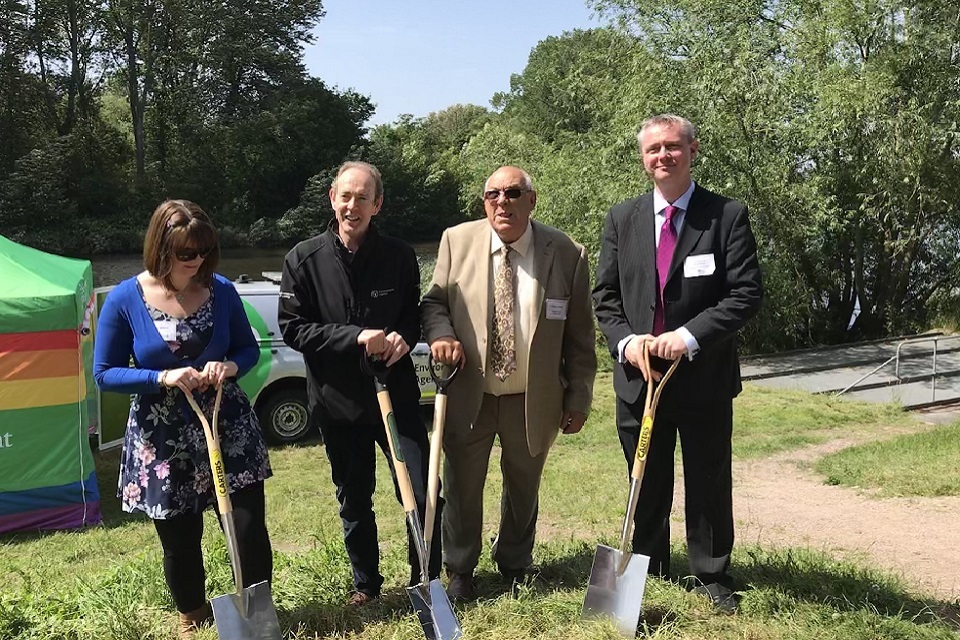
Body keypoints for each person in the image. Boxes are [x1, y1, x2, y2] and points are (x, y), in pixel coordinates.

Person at [593, 114, 763, 612]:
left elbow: (745, 294)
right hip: (638, 376)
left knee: (708, 477)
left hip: (702, 376)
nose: (662, 156)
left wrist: (687, 337)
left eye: (672, 147)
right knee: (644, 477)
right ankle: (647, 564)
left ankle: (711, 572)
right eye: (653, 150)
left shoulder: (726, 215)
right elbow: (605, 296)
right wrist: (627, 343)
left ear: (692, 150)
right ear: (643, 160)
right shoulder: (622, 218)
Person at [93, 200, 273, 637]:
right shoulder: (123, 298)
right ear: (160, 249)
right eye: (185, 253)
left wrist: (229, 367)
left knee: (248, 527)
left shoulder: (222, 290)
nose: (196, 262)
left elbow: (248, 349)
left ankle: (257, 613)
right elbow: (104, 373)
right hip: (162, 436)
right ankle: (192, 615)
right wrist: (162, 375)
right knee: (179, 538)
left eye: (203, 252)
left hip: (227, 424)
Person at [420, 165, 597, 600]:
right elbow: (433, 303)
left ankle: (515, 562)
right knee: (462, 483)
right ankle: (460, 568)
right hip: (470, 392)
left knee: (524, 484)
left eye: (514, 193)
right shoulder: (455, 241)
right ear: (484, 202)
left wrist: (579, 396)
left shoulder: (567, 252)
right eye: (493, 194)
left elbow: (579, 336)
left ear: (532, 200)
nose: (503, 202)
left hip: (531, 397)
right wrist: (441, 334)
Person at [277, 161, 441, 606]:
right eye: (345, 196)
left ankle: (426, 578)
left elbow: (412, 316)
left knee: (423, 489)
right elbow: (294, 329)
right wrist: (355, 338)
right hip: (338, 401)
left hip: (398, 396)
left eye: (362, 197)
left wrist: (405, 340)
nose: (353, 206)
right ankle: (366, 584)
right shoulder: (302, 259)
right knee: (354, 497)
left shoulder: (400, 256)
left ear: (378, 204)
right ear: (332, 197)